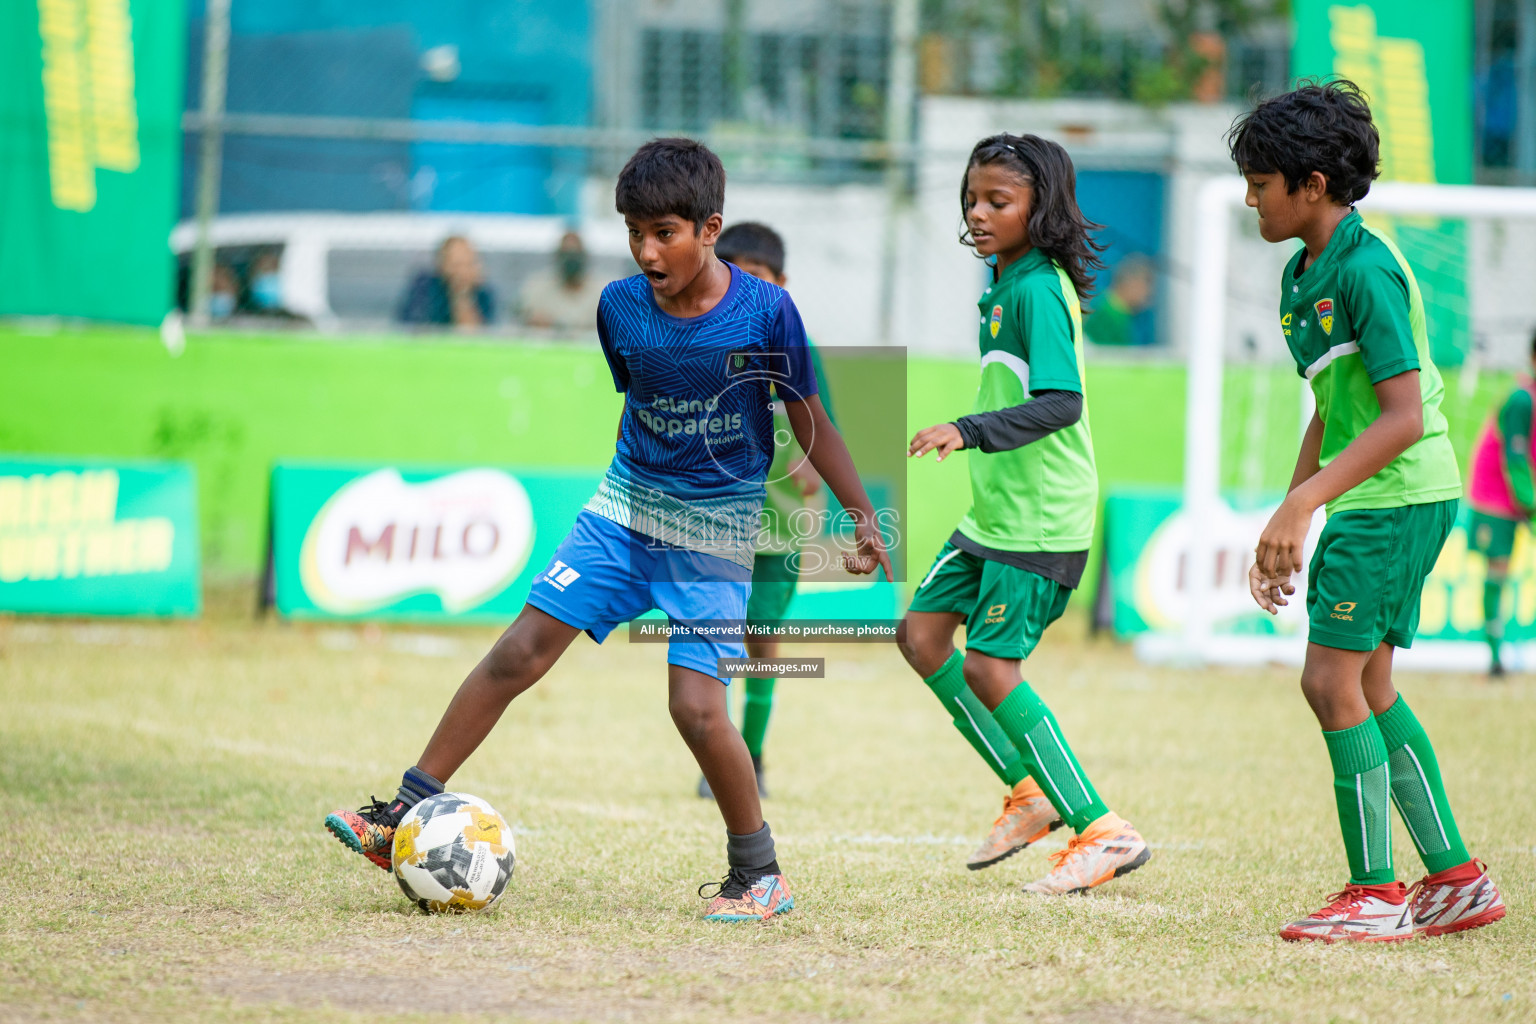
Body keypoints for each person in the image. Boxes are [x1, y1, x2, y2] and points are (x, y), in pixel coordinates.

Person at [326, 138, 892, 923]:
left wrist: (863, 520)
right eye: (634, 233)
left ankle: (759, 875)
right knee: (517, 651)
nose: (647, 250)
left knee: (695, 710)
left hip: (715, 533)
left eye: (665, 232)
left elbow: (812, 422)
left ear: (710, 228)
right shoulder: (618, 307)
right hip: (623, 511)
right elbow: (639, 397)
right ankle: (403, 811)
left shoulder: (767, 312)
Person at [1230, 80, 1505, 942]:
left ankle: (1376, 893)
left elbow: (1402, 415)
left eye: (1262, 181)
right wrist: (1292, 506)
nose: (1249, 198)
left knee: (1329, 682)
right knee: (1370, 683)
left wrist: (1308, 501)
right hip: (1382, 495)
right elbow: (1332, 404)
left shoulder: (1367, 267)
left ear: (1312, 183)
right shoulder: (1303, 272)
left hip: (1396, 494)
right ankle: (1455, 878)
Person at [900, 133, 1151, 895]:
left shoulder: (1039, 288)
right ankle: (1029, 788)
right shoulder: (1005, 287)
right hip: (995, 516)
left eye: (997, 202)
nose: (978, 213)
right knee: (920, 634)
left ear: (1038, 209)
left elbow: (1061, 403)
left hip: (1041, 520)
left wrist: (965, 430)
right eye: (972, 198)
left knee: (988, 665)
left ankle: (1104, 829)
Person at [694, 221, 836, 801]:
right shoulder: (701, 350)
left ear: (783, 285)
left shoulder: (797, 353)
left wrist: (814, 475)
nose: (749, 293)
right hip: (715, 527)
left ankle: (752, 755)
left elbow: (821, 429)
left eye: (761, 280)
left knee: (761, 646)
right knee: (711, 641)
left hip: (779, 532)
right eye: (737, 280)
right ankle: (718, 759)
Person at [1466, 329, 1536, 677]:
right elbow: (1516, 459)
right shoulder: (1522, 399)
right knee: (1498, 572)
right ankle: (1494, 657)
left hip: (1524, 494)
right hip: (1497, 497)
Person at [398, 234, 497, 328]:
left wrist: (462, 294)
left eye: (468, 264)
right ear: (442, 264)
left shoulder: (482, 292)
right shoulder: (425, 287)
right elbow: (415, 330)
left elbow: (474, 335)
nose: (461, 271)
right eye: (456, 264)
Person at [519, 231, 607, 334]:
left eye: (575, 255)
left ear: (584, 257)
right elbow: (520, 325)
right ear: (557, 257)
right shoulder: (536, 288)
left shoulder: (604, 291)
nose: (571, 260)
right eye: (566, 254)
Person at [1084, 253, 1155, 347]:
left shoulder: (1106, 306)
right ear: (1133, 282)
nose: (1149, 293)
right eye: (1146, 285)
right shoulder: (1109, 314)